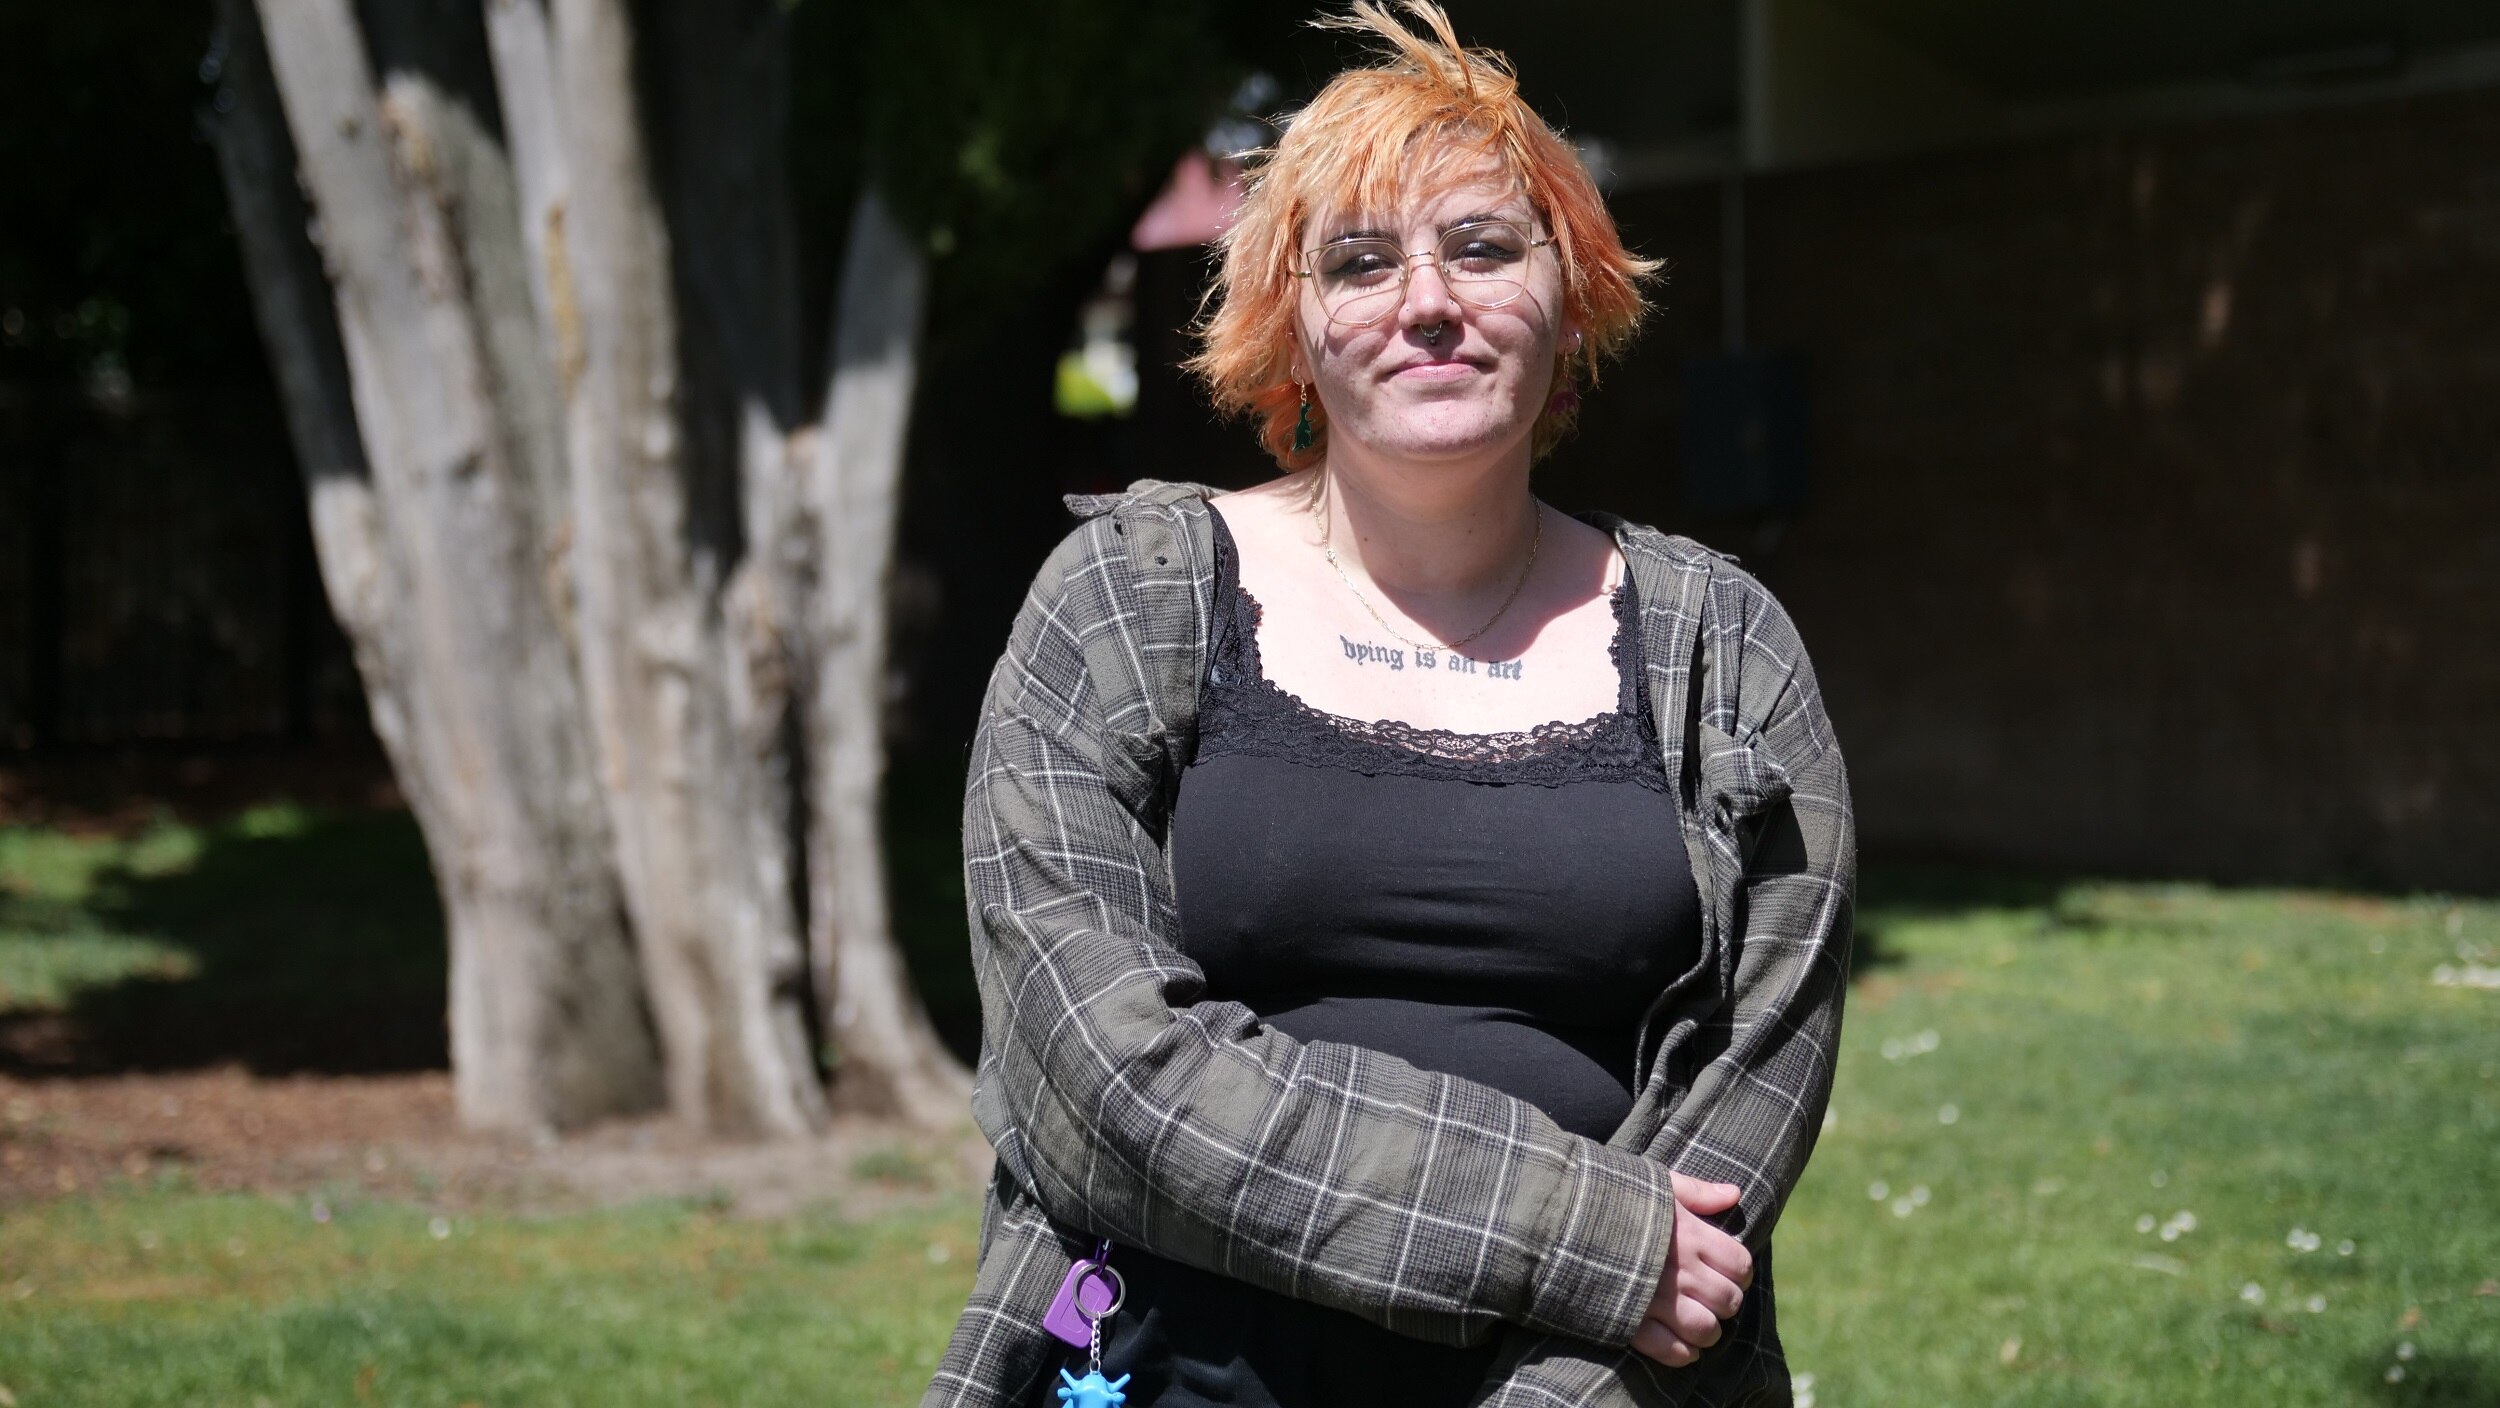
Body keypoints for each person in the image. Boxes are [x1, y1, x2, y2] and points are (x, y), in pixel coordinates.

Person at [923, 4, 1853, 1405]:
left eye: (1484, 248)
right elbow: (1095, 1074)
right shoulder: (1120, 602)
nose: (1429, 301)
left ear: (1576, 291)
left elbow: (1751, 1095)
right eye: (1360, 262)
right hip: (1169, 1369)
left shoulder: (1726, 648)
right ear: (1292, 323)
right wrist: (1574, 1228)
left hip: (1587, 1384)